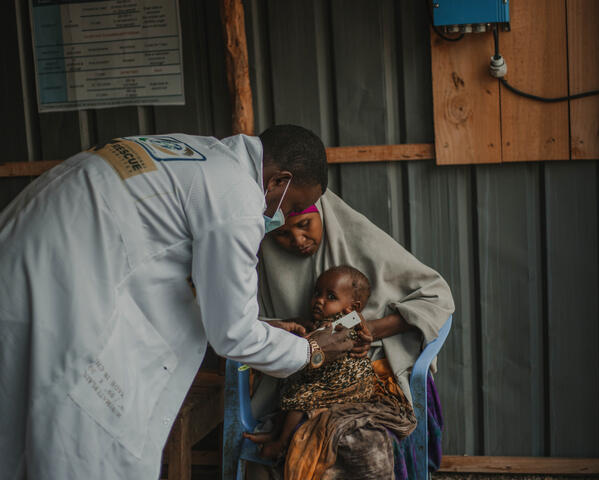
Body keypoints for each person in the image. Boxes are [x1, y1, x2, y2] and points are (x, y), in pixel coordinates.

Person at [0, 125, 356, 480]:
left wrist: (263, 327)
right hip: (64, 291)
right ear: (279, 180)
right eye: (293, 205)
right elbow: (232, 334)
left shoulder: (200, 155)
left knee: (20, 424)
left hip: (26, 266)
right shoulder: (239, 199)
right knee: (83, 440)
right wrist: (311, 350)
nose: (285, 216)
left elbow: (183, 275)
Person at [253, 189, 455, 478]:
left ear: (321, 212)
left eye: (304, 224)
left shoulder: (356, 236)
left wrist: (365, 330)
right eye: (282, 234)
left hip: (373, 369)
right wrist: (293, 332)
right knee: (305, 423)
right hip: (300, 370)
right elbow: (244, 325)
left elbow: (436, 296)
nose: (297, 240)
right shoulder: (260, 257)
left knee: (365, 445)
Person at [245, 265, 380, 459]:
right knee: (289, 387)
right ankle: (275, 432)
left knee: (301, 396)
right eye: (317, 293)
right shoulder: (316, 323)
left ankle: (281, 443)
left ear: (353, 306)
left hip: (345, 384)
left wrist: (326, 329)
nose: (319, 300)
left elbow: (351, 323)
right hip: (322, 377)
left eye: (330, 297)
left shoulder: (347, 321)